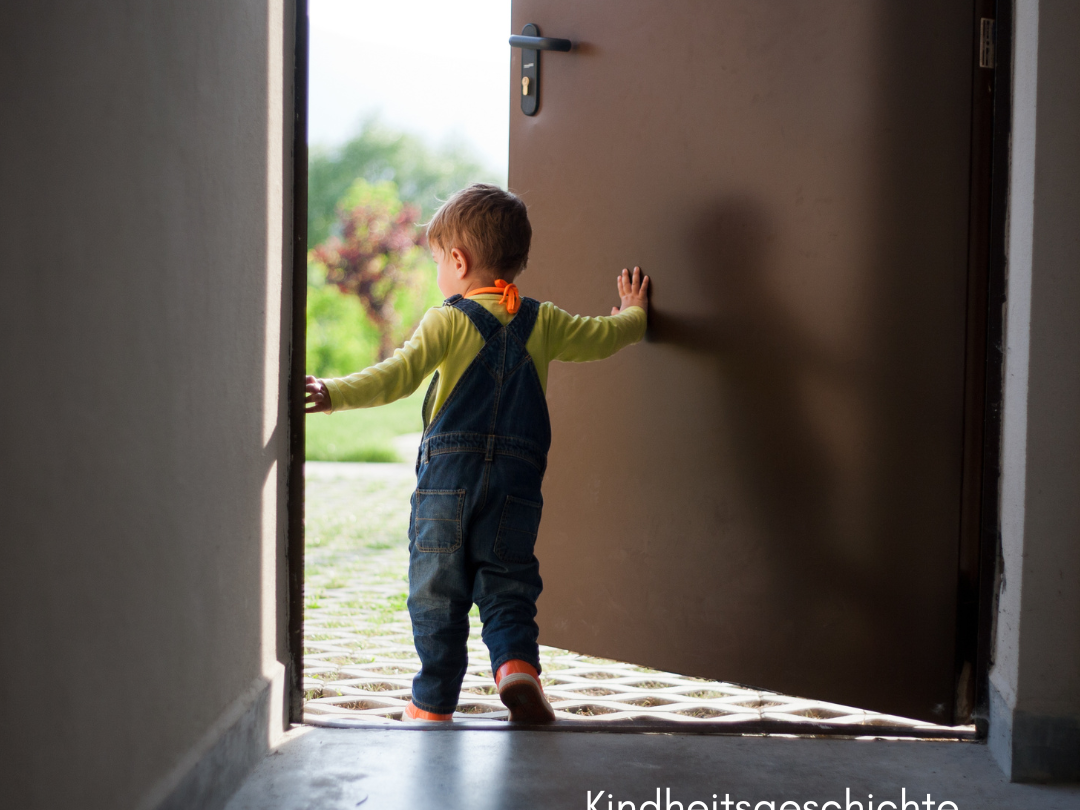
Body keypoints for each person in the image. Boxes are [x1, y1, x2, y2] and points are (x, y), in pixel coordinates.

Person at [305, 183, 649, 722]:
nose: (439, 271)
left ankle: (433, 701)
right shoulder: (546, 320)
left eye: (438, 260)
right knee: (507, 582)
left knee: (437, 592)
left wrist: (333, 393)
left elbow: (395, 377)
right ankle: (516, 668)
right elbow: (604, 336)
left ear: (458, 261)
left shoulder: (447, 319)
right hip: (516, 485)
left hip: (448, 482)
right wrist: (634, 313)